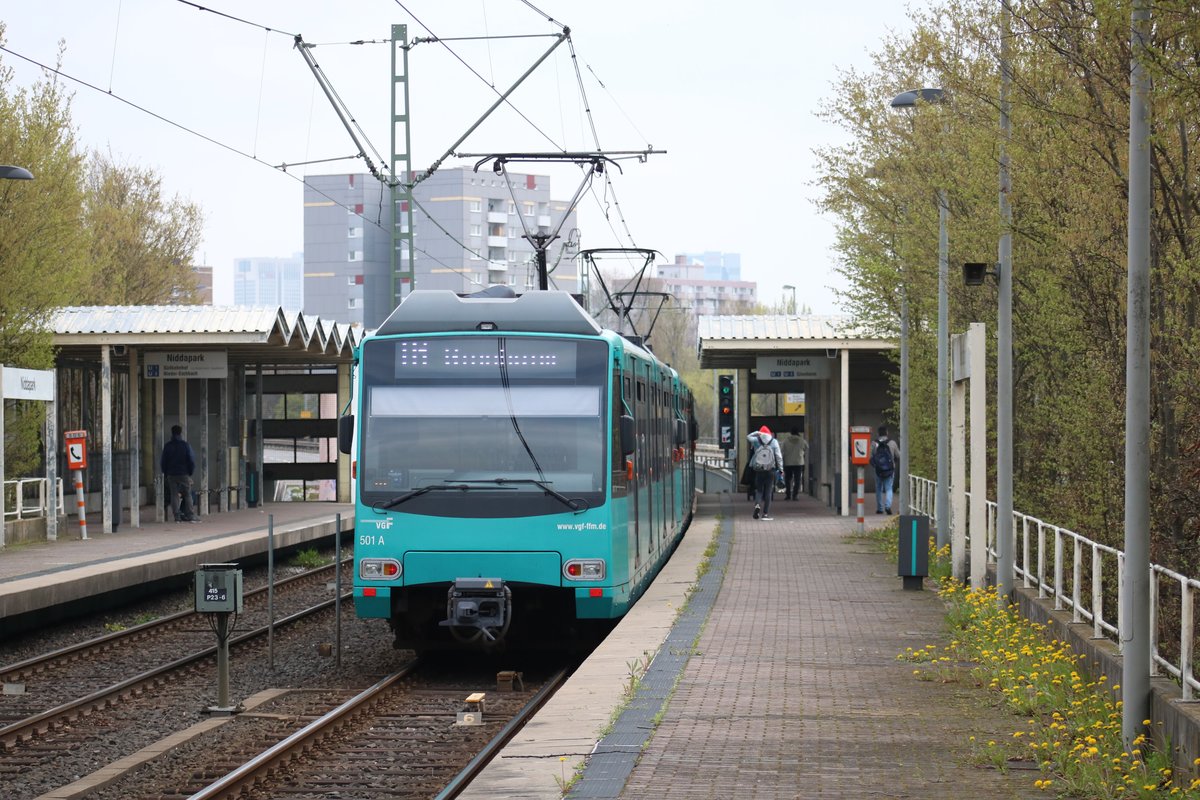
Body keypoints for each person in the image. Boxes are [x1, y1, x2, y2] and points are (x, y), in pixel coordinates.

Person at [162, 424, 200, 523]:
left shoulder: (167, 446)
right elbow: (191, 460)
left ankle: (177, 516)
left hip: (171, 474)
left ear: (172, 432)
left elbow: (163, 461)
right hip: (183, 473)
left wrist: (166, 473)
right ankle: (190, 515)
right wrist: (190, 472)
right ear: (180, 432)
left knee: (174, 495)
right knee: (187, 494)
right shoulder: (185, 445)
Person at [746, 425, 783, 521]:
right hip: (771, 469)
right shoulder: (774, 441)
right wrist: (781, 469)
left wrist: (756, 432)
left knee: (759, 490)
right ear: (769, 433)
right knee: (768, 491)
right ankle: (765, 514)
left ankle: (757, 506)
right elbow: (778, 457)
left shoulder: (756, 440)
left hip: (759, 469)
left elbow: (748, 437)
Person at [872, 424, 901, 515]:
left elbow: (870, 456)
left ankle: (880, 509)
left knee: (878, 489)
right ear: (887, 433)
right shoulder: (892, 443)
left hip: (878, 470)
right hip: (889, 470)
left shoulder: (874, 443)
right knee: (889, 489)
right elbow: (899, 456)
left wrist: (875, 464)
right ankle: (887, 506)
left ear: (878, 434)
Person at [780, 427, 808, 500]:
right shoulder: (802, 441)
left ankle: (788, 494)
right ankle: (795, 495)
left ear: (791, 432)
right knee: (797, 479)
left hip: (787, 462)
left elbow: (782, 451)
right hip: (798, 462)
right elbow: (806, 447)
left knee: (787, 479)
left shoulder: (785, 441)